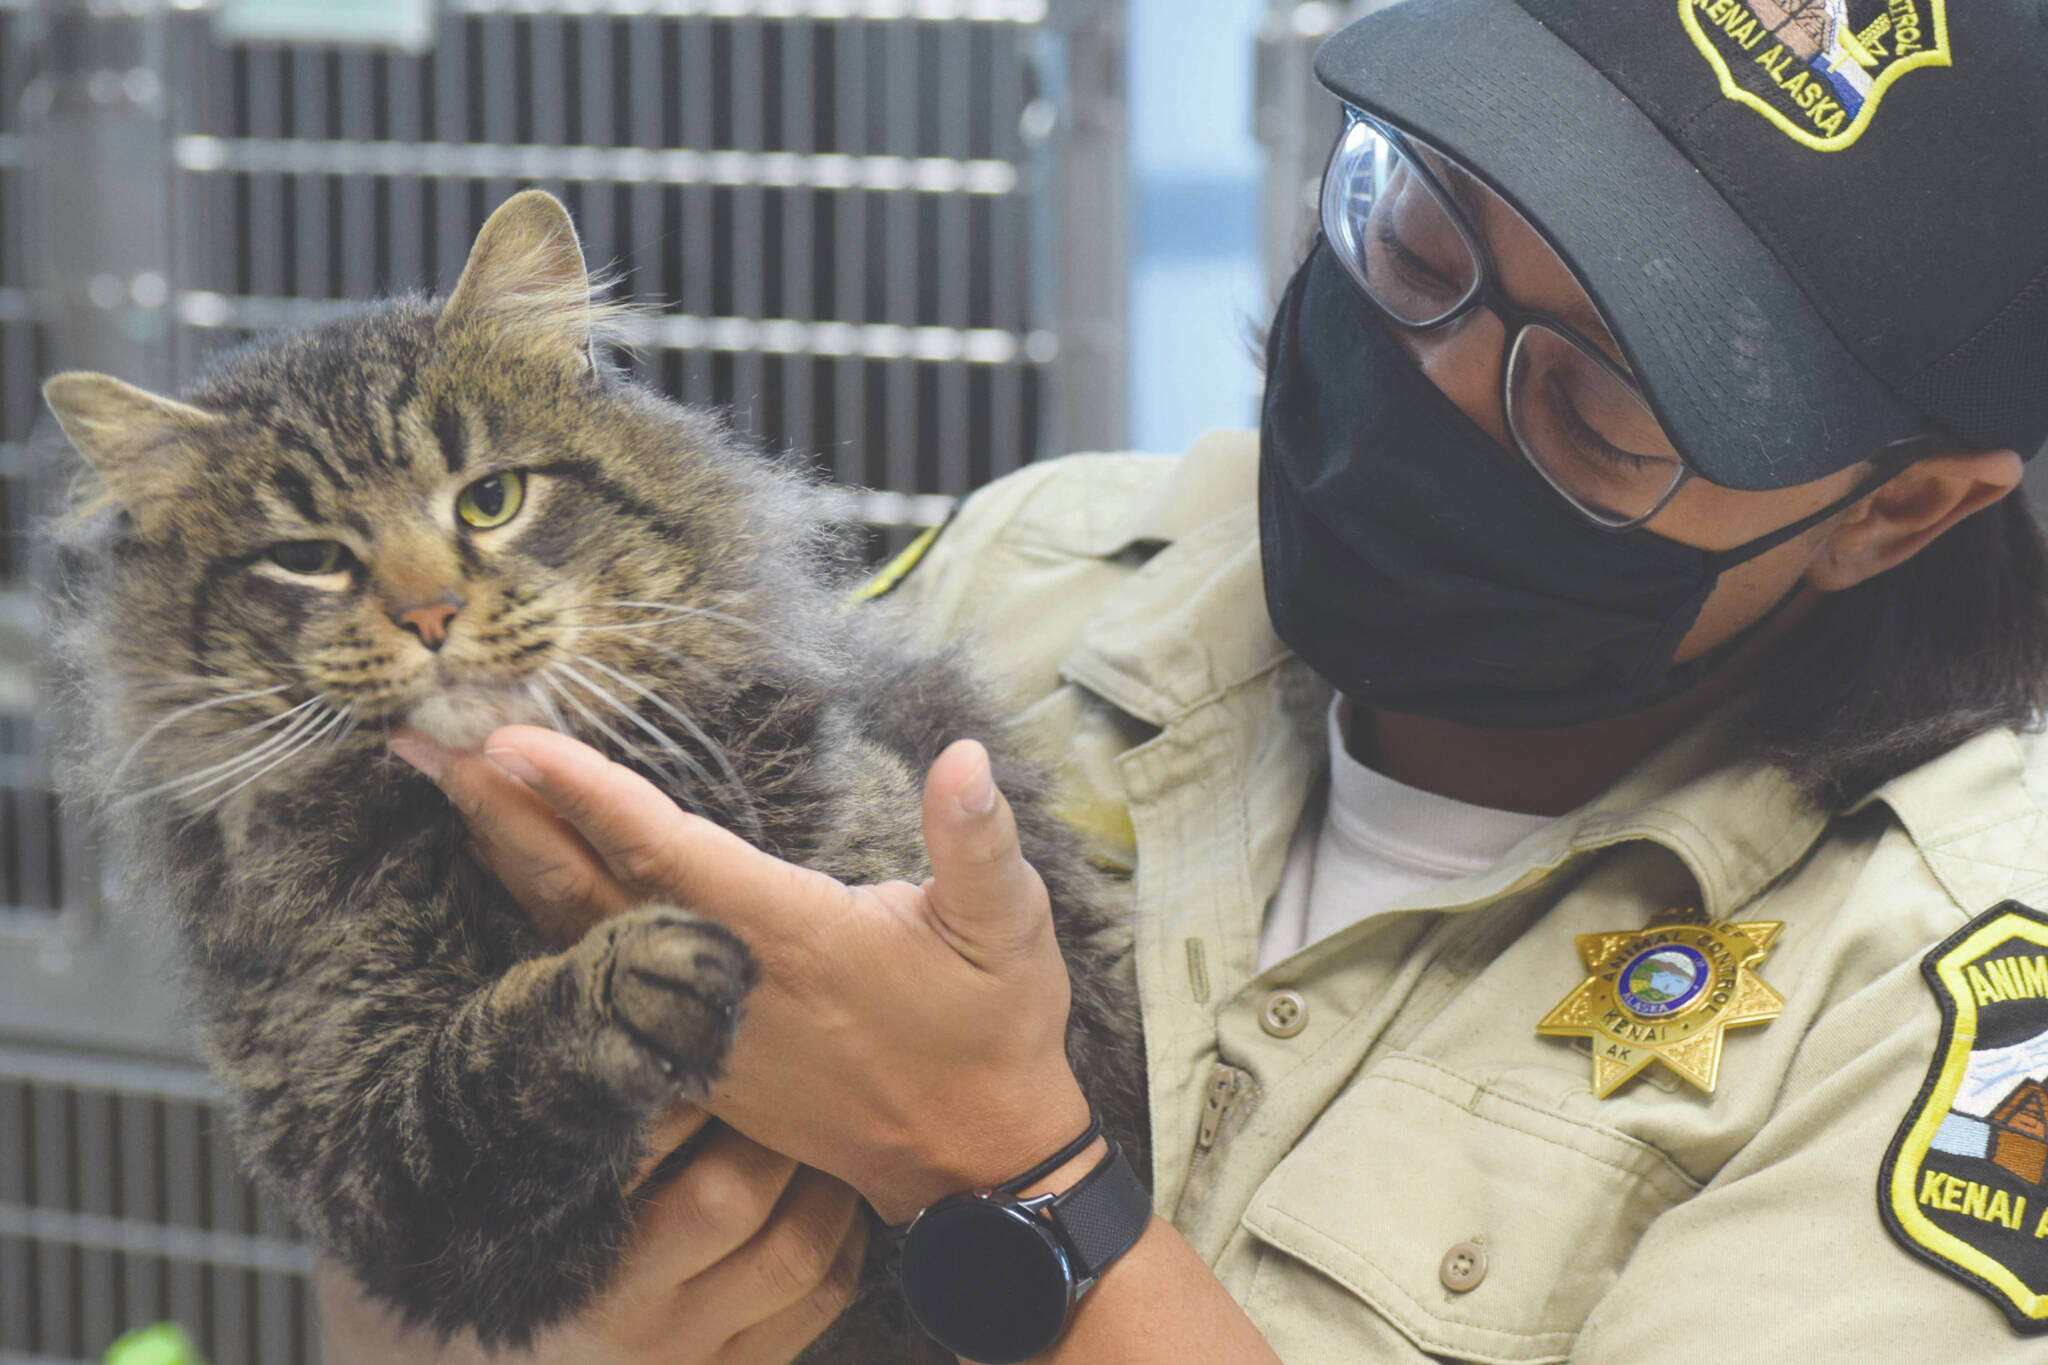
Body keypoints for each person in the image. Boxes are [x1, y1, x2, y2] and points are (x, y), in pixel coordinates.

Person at [322, 0, 2048, 1358]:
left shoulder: (1933, 987)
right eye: (1421, 232)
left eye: (1599, 402)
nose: (1434, 381)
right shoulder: (1040, 577)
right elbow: (383, 1274)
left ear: (1897, 509)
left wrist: (1007, 1176)